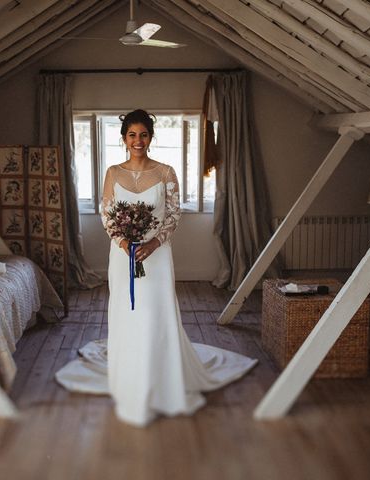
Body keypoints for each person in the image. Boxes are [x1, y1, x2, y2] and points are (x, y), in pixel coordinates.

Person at [55, 109, 257, 427]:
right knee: (127, 307)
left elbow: (174, 214)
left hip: (157, 254)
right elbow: (107, 213)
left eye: (144, 134)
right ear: (124, 138)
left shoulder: (165, 172)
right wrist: (125, 244)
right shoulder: (112, 172)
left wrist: (151, 244)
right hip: (123, 255)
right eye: (132, 134)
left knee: (154, 308)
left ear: (151, 137)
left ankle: (159, 371)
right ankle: (129, 370)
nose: (138, 140)